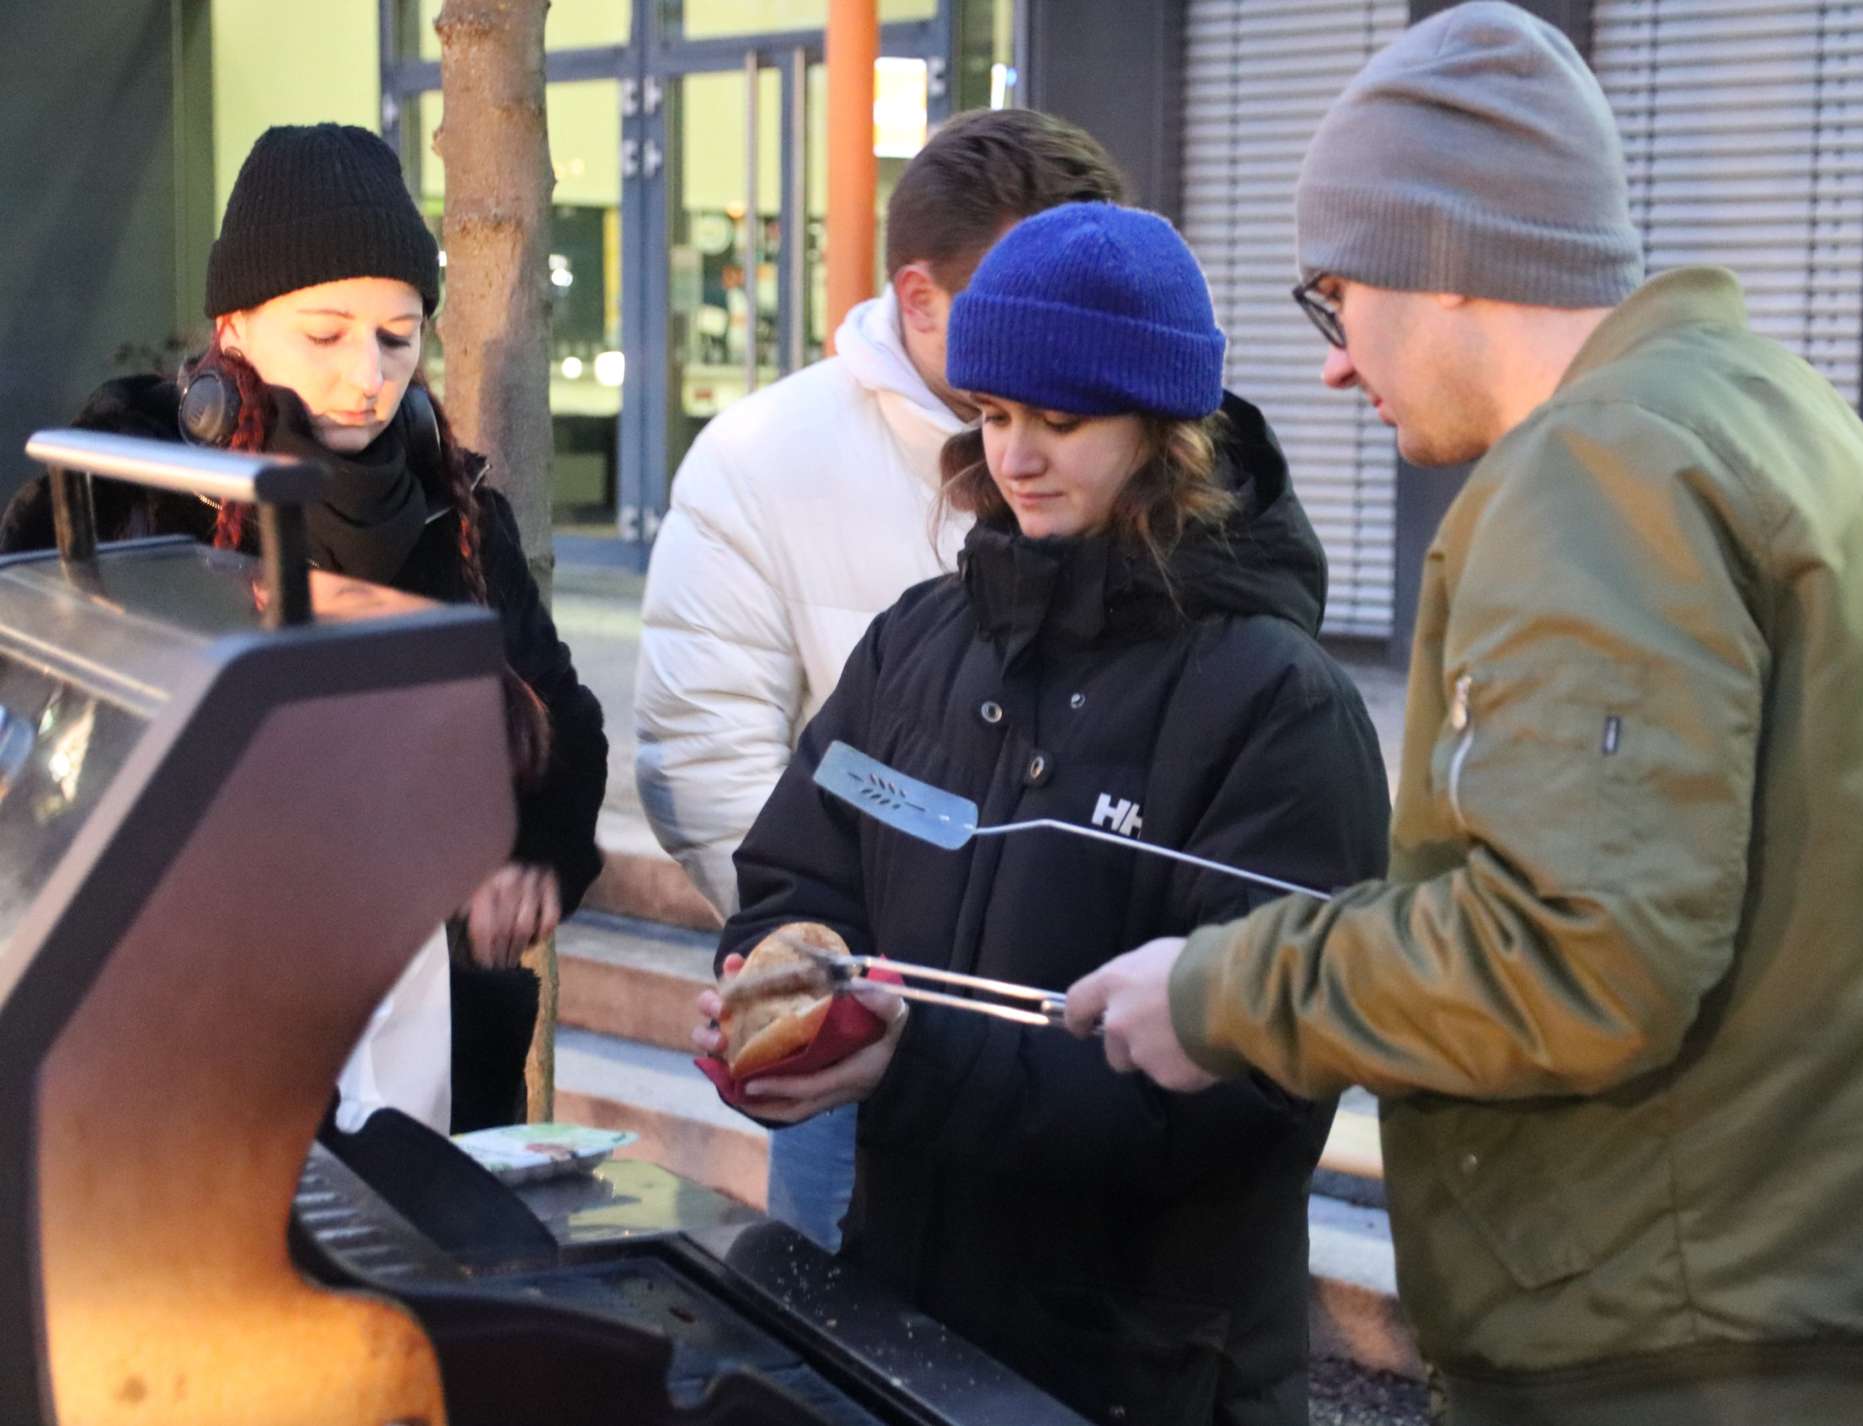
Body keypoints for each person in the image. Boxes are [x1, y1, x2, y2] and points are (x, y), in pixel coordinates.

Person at [1064, 8, 1863, 1426]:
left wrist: (1221, 992)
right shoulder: (1783, 420)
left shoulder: (1597, 469)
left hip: (1694, 1366)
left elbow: (1581, 956)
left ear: (1450, 260)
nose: (1335, 360)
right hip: (1851, 1326)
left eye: (1338, 293)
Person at [689, 202, 1389, 1426]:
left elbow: (1251, 1090)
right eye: (995, 416)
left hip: (1149, 1376)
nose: (1015, 457)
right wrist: (773, 985)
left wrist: (908, 1061)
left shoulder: (1279, 706)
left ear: (1167, 431)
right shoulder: (915, 642)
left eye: (1061, 422)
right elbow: (801, 874)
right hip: (907, 1322)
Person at [1, 123, 607, 1134]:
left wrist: (530, 853)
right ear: (232, 330)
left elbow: (563, 719)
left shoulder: (455, 510)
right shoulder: (122, 481)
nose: (366, 374)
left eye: (397, 336)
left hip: (420, 1075)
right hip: (165, 1069)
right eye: (324, 334)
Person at [635, 108, 1126, 1251]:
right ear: (919, 299)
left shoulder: (1136, 466)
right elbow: (709, 762)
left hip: (1084, 1061)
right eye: (1019, 305)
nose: (1027, 437)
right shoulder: (765, 460)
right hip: (853, 1044)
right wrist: (830, 986)